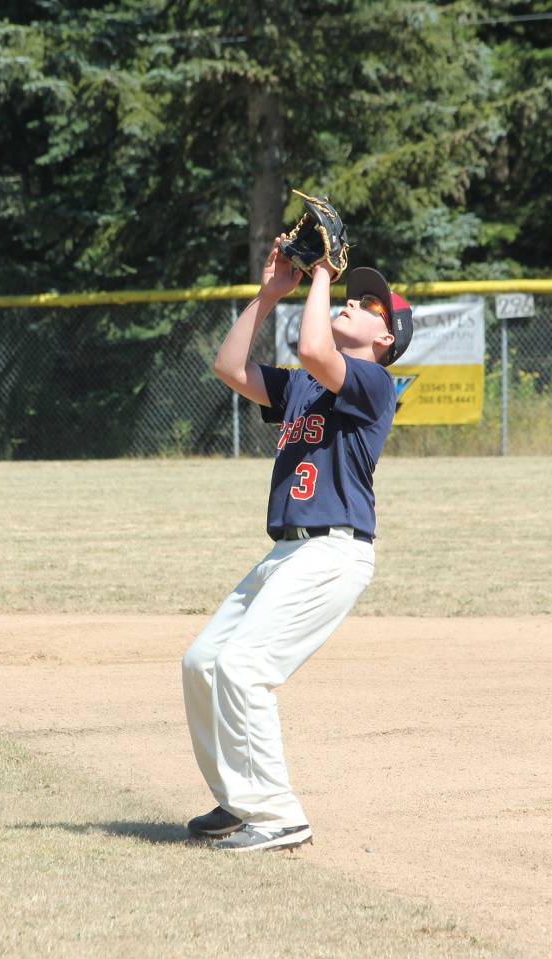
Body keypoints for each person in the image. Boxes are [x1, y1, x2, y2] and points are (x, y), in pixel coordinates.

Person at [181, 233, 413, 853]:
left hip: (333, 552)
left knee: (244, 667)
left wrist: (322, 276)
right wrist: (271, 292)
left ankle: (279, 815)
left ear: (385, 340)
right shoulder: (305, 388)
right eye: (352, 295)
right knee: (202, 663)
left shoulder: (370, 384)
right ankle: (238, 799)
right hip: (285, 551)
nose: (354, 303)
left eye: (369, 306)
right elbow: (229, 368)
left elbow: (314, 346)